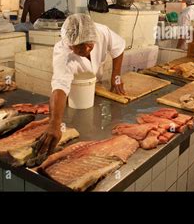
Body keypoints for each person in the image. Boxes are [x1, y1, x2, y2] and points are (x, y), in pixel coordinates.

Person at [34, 14, 126, 157]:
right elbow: (60, 86)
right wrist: (54, 124)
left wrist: (116, 76)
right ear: (70, 45)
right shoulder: (62, 52)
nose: (88, 49)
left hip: (94, 87)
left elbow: (118, 48)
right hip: (73, 94)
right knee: (80, 123)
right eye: (81, 48)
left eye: (90, 45)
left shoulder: (101, 32)